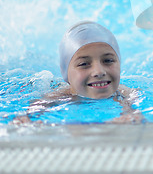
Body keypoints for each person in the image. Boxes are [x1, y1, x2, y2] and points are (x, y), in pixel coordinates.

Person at [15, 21, 143, 124]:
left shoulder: (122, 92)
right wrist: (27, 118)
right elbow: (37, 106)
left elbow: (133, 97)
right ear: (66, 73)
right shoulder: (60, 95)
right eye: (83, 64)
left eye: (108, 60)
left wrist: (130, 113)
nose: (99, 72)